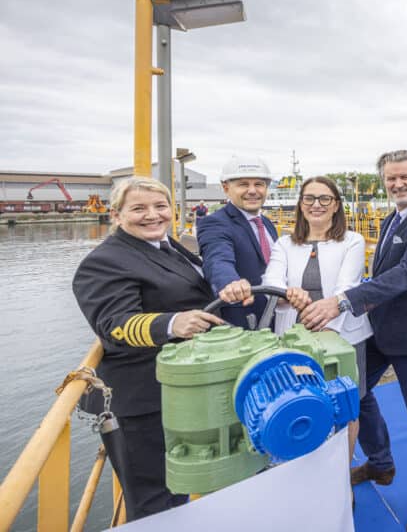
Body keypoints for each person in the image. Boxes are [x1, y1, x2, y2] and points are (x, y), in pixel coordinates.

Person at [301, 150, 407, 532]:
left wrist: (344, 301)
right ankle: (381, 463)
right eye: (390, 179)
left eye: (404, 177)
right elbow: (380, 273)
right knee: (358, 393)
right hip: (378, 329)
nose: (398, 184)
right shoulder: (390, 219)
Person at [72, 176, 225, 520]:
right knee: (151, 500)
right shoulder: (105, 261)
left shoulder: (166, 245)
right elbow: (115, 324)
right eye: (138, 208)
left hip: (174, 393)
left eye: (160, 207)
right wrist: (172, 323)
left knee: (176, 487)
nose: (152, 215)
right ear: (116, 215)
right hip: (139, 402)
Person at [233, 175, 372, 473]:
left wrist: (324, 320)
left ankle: (340, 478)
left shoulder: (352, 241)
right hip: (295, 340)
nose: (316, 205)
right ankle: (304, 473)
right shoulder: (285, 243)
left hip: (343, 338)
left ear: (336, 206)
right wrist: (286, 294)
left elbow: (346, 287)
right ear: (301, 205)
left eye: (325, 199)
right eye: (309, 198)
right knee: (298, 406)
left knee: (346, 409)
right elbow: (271, 281)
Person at [197, 156, 277, 328]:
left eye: (259, 184)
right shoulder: (215, 223)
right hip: (244, 322)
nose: (252, 191)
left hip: (276, 316)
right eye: (243, 184)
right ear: (226, 188)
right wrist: (230, 283)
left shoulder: (267, 223)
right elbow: (217, 258)